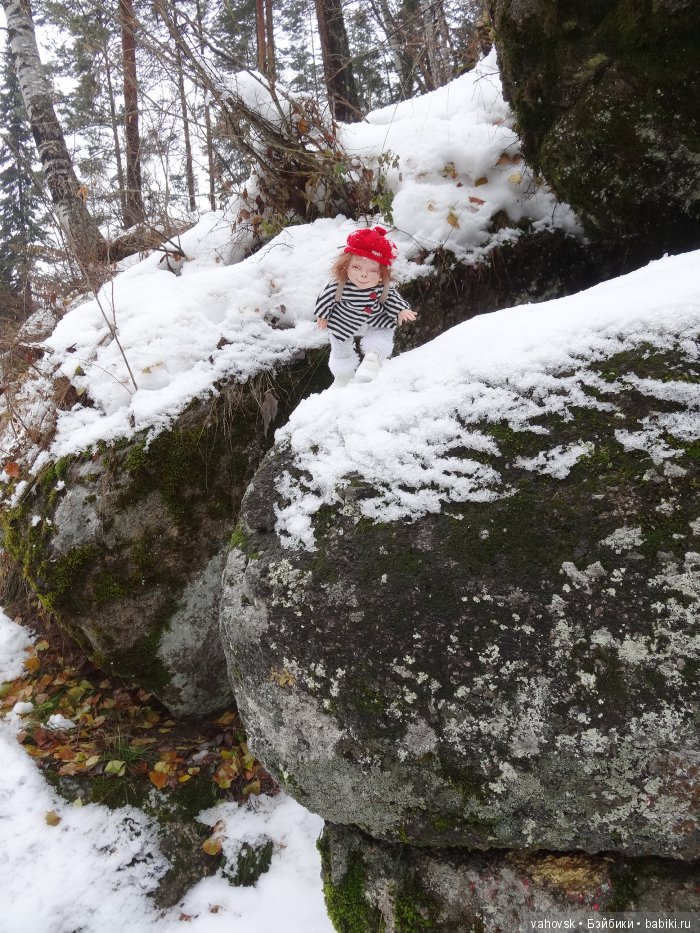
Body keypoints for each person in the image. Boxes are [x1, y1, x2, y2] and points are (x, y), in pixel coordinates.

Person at [315, 226, 417, 386]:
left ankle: (372, 361)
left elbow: (392, 298)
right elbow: (325, 298)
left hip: (374, 320)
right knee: (339, 346)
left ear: (382, 274)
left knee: (384, 333)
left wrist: (401, 310)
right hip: (344, 321)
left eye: (372, 271)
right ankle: (343, 375)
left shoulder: (382, 287)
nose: (363, 274)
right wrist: (322, 315)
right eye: (356, 267)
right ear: (345, 265)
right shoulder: (339, 285)